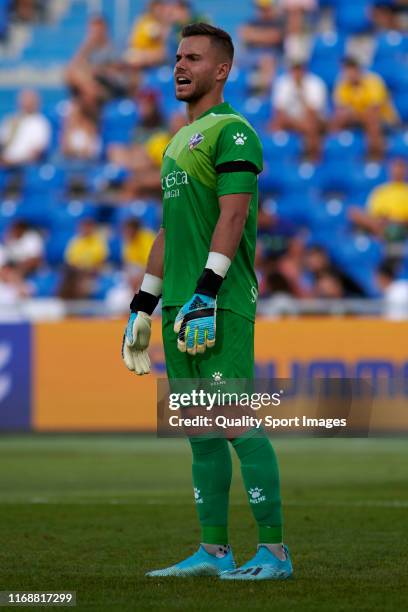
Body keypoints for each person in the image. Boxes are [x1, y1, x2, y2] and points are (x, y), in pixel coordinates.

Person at [121, 22, 293, 580]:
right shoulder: (174, 143)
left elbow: (234, 214)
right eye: (176, 57)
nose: (179, 66)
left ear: (221, 70)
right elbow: (170, 234)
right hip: (179, 306)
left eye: (192, 57)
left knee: (237, 420)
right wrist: (141, 307)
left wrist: (206, 292)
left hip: (217, 302)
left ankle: (274, 551)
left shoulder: (234, 131)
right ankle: (213, 550)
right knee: (200, 430)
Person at [331, 56, 398, 158]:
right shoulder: (342, 84)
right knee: (338, 119)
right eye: (345, 70)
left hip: (383, 119)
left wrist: (353, 113)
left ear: (358, 69)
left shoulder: (373, 81)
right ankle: (333, 153)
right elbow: (340, 109)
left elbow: (375, 109)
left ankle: (375, 155)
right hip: (357, 119)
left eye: (351, 69)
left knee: (371, 120)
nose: (348, 74)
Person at [65, 15, 126, 115]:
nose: (95, 34)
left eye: (97, 30)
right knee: (73, 74)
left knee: (86, 94)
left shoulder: (115, 48)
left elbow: (116, 72)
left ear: (105, 30)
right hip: (89, 87)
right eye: (92, 30)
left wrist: (96, 70)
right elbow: (72, 68)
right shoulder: (89, 51)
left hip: (108, 89)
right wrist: (86, 47)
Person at [270, 60, 327, 159]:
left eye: (299, 69)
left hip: (312, 119)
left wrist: (301, 92)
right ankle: (278, 159)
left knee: (311, 126)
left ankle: (312, 159)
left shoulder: (316, 83)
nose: (297, 73)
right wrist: (297, 122)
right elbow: (278, 110)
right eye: (294, 69)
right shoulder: (282, 82)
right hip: (291, 120)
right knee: (275, 123)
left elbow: (313, 112)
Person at [349, 158, 408, 239]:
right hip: (380, 225)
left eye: (401, 167)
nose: (397, 170)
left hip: (401, 227)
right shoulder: (380, 191)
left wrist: (393, 221)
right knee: (353, 212)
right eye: (395, 167)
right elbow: (371, 213)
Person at [0, 89, 51, 166]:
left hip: (23, 168)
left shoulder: (41, 123)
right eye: (24, 99)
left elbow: (37, 152)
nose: (25, 103)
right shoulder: (9, 120)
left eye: (29, 100)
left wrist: (13, 161)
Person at [125, 0, 170, 68]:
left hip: (157, 59)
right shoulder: (143, 20)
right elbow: (131, 42)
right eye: (156, 7)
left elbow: (163, 51)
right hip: (141, 55)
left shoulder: (167, 24)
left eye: (161, 8)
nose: (158, 10)